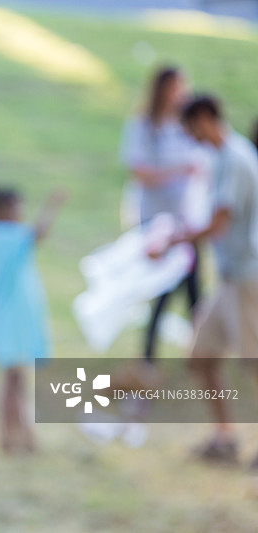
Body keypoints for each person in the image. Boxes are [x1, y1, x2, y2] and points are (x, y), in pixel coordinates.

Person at [169, 94, 258, 466]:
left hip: (246, 276)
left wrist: (176, 240)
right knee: (201, 355)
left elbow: (219, 223)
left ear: (205, 118)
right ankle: (225, 437)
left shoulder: (236, 158)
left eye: (190, 128)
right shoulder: (223, 158)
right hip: (228, 277)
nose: (191, 137)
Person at [119, 65, 211, 362]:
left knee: (194, 290)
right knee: (163, 291)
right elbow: (140, 172)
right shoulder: (144, 125)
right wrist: (178, 171)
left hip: (187, 221)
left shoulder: (188, 125)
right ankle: (150, 358)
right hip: (157, 222)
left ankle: (199, 356)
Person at [0, 187, 66, 453]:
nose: (20, 213)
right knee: (12, 379)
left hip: (13, 318)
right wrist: (52, 206)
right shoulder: (0, 236)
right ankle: (12, 435)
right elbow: (38, 234)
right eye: (15, 207)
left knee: (16, 379)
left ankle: (20, 434)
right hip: (10, 320)